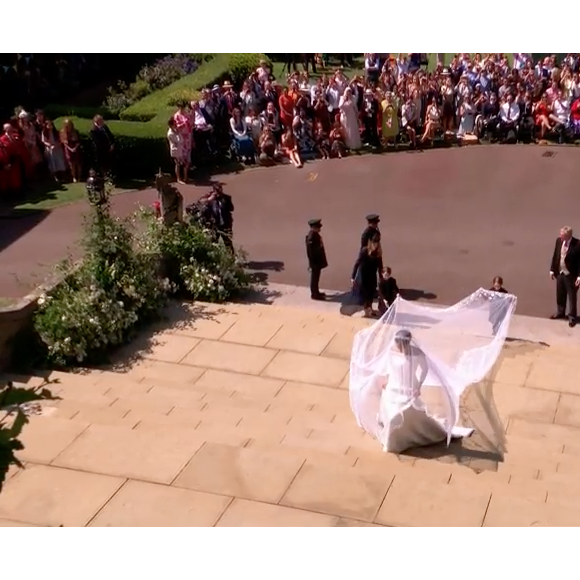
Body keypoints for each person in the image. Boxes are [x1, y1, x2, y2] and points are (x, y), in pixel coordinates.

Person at [376, 330, 474, 455]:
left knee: (400, 414)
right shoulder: (391, 351)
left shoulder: (417, 354)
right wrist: (386, 380)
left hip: (408, 388)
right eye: (398, 344)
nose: (399, 347)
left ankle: (398, 441)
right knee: (391, 413)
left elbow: (424, 369)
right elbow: (389, 367)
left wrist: (417, 386)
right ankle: (392, 439)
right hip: (393, 387)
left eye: (401, 344)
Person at [550, 226, 580, 328]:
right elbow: (556, 255)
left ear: (568, 236)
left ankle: (572, 316)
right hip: (560, 273)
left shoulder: (577, 244)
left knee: (572, 296)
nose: (560, 237)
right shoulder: (559, 241)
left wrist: (579, 277)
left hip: (571, 275)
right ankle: (560, 312)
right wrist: (552, 270)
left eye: (562, 235)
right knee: (560, 293)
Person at [352, 236, 383, 318]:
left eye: (376, 243)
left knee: (371, 293)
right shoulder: (364, 250)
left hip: (372, 276)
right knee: (365, 294)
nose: (375, 245)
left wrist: (381, 277)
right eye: (374, 242)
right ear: (370, 242)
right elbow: (357, 263)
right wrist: (353, 276)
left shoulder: (378, 253)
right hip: (364, 275)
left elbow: (380, 266)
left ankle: (370, 309)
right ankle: (366, 311)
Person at [306, 219, 328, 301]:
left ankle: (316, 292)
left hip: (317, 262)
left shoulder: (315, 235)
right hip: (315, 262)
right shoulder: (312, 237)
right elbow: (310, 252)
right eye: (318, 227)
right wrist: (312, 264)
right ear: (314, 227)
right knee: (314, 279)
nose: (320, 229)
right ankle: (314, 294)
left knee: (316, 278)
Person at [209, 184, 235, 251]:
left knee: (227, 242)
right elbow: (201, 204)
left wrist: (223, 200)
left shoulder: (226, 198)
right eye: (217, 191)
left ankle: (231, 258)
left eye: (220, 190)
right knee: (214, 242)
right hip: (215, 225)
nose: (219, 192)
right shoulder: (211, 199)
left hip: (225, 224)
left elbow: (231, 208)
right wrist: (211, 199)